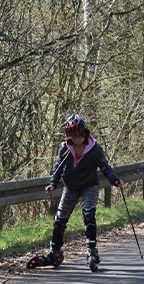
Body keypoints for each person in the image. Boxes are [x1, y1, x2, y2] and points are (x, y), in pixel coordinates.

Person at [28, 114, 123, 272]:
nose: (75, 140)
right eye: (71, 137)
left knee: (88, 215)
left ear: (84, 133)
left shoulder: (94, 149)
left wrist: (115, 180)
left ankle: (92, 252)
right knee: (60, 220)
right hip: (70, 187)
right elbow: (58, 167)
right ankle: (55, 253)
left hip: (89, 186)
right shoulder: (65, 148)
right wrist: (53, 183)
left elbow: (105, 167)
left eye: (78, 136)